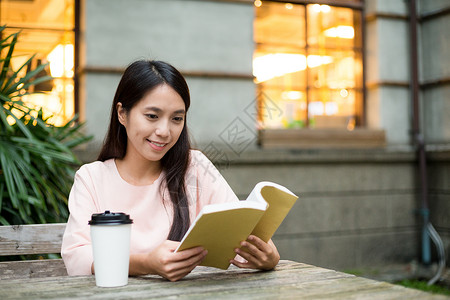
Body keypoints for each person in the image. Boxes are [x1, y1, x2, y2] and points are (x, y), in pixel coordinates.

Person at [61, 60, 280, 282]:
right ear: (122, 114)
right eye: (152, 116)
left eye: (177, 119)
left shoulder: (195, 167)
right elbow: (76, 256)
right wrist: (146, 263)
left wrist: (266, 255)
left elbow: (240, 228)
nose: (164, 131)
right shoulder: (92, 178)